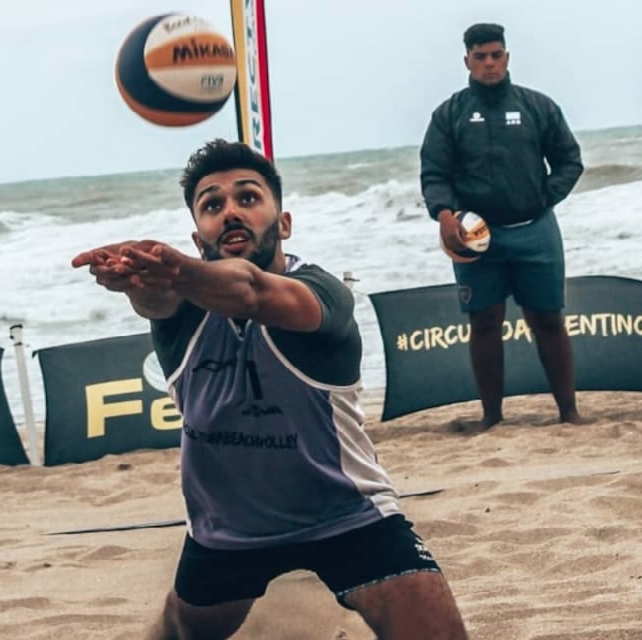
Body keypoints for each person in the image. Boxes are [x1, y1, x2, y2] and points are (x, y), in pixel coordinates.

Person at [72, 139, 468, 640]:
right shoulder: (180, 306)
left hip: (346, 514)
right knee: (176, 630)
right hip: (228, 533)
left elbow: (251, 290)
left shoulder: (323, 292)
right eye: (213, 205)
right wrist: (133, 276)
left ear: (283, 224)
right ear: (199, 237)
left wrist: (174, 269)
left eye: (248, 198)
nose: (231, 213)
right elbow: (155, 299)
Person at [420, 22, 588, 432]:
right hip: (477, 237)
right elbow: (434, 174)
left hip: (535, 230)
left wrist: (542, 197)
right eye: (481, 57)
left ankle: (569, 412)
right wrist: (444, 215)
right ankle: (491, 417)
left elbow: (570, 161)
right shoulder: (450, 114)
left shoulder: (537, 107)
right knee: (484, 322)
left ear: (507, 57)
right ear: (468, 61)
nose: (489, 63)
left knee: (548, 319)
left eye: (496, 55)